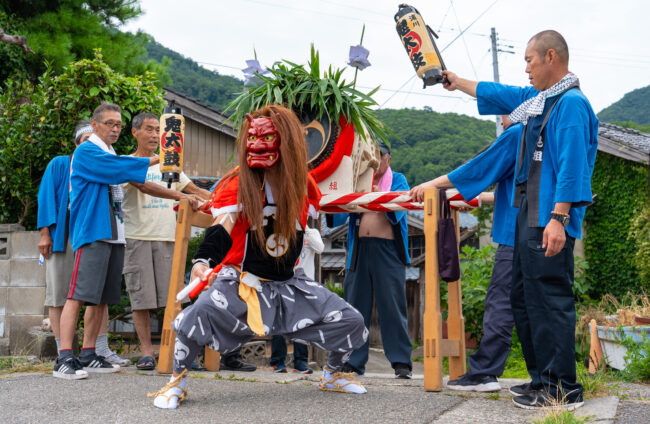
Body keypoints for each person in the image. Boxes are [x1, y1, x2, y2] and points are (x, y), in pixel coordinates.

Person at [149, 105, 368, 410]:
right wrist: (202, 262)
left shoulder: (303, 184)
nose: (259, 145)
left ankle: (331, 375)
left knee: (352, 321)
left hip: (291, 284)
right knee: (196, 315)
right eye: (253, 137)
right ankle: (177, 381)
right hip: (243, 282)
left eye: (268, 138)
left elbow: (305, 226)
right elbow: (221, 229)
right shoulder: (239, 182)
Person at [441, 30, 598, 410]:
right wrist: (456, 80)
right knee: (524, 300)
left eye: (529, 60)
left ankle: (563, 388)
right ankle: (541, 380)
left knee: (549, 301)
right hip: (528, 218)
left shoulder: (571, 103)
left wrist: (560, 217)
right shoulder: (542, 101)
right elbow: (500, 93)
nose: (525, 68)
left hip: (550, 219)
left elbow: (574, 166)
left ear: (550, 57)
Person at [411, 115, 522, 392]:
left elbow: (478, 168)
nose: (502, 120)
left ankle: (485, 372)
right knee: (535, 306)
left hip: (518, 233)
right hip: (542, 226)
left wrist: (434, 184)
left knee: (501, 303)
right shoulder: (544, 133)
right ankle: (548, 376)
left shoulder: (518, 133)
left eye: (502, 113)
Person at [53, 103, 157, 380]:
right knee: (77, 296)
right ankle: (64, 357)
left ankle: (88, 353)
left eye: (118, 125)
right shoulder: (87, 150)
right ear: (95, 125)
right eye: (109, 123)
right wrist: (157, 159)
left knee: (99, 299)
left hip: (115, 232)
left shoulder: (108, 151)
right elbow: (116, 170)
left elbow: (120, 169)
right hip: (93, 230)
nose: (114, 129)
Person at [121, 113, 209, 370]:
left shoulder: (171, 164)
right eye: (148, 129)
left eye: (157, 130)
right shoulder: (128, 162)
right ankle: (147, 353)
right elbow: (145, 187)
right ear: (135, 132)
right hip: (138, 237)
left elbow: (195, 191)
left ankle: (182, 353)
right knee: (142, 299)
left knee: (176, 299)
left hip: (170, 237)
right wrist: (179, 196)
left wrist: (221, 201)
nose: (154, 134)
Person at [37, 120, 129, 367]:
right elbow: (45, 196)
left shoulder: (104, 162)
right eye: (86, 140)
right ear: (77, 143)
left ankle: (97, 349)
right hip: (63, 232)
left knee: (96, 293)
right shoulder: (60, 163)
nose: (92, 145)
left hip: (93, 229)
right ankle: (62, 352)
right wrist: (45, 233)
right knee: (60, 293)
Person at [327, 142, 413, 379]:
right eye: (371, 157)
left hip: (388, 250)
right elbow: (338, 216)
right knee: (355, 307)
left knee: (392, 306)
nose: (375, 162)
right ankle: (354, 361)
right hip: (359, 250)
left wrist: (375, 193)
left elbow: (399, 208)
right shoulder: (359, 181)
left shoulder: (398, 180)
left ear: (388, 159)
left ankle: (401, 361)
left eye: (380, 156)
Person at [270, 225, 324, 374]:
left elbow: (320, 248)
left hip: (304, 285)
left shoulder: (312, 232)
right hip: (283, 282)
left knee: (302, 324)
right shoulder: (281, 230)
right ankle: (278, 362)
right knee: (280, 323)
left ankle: (300, 363)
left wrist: (304, 228)